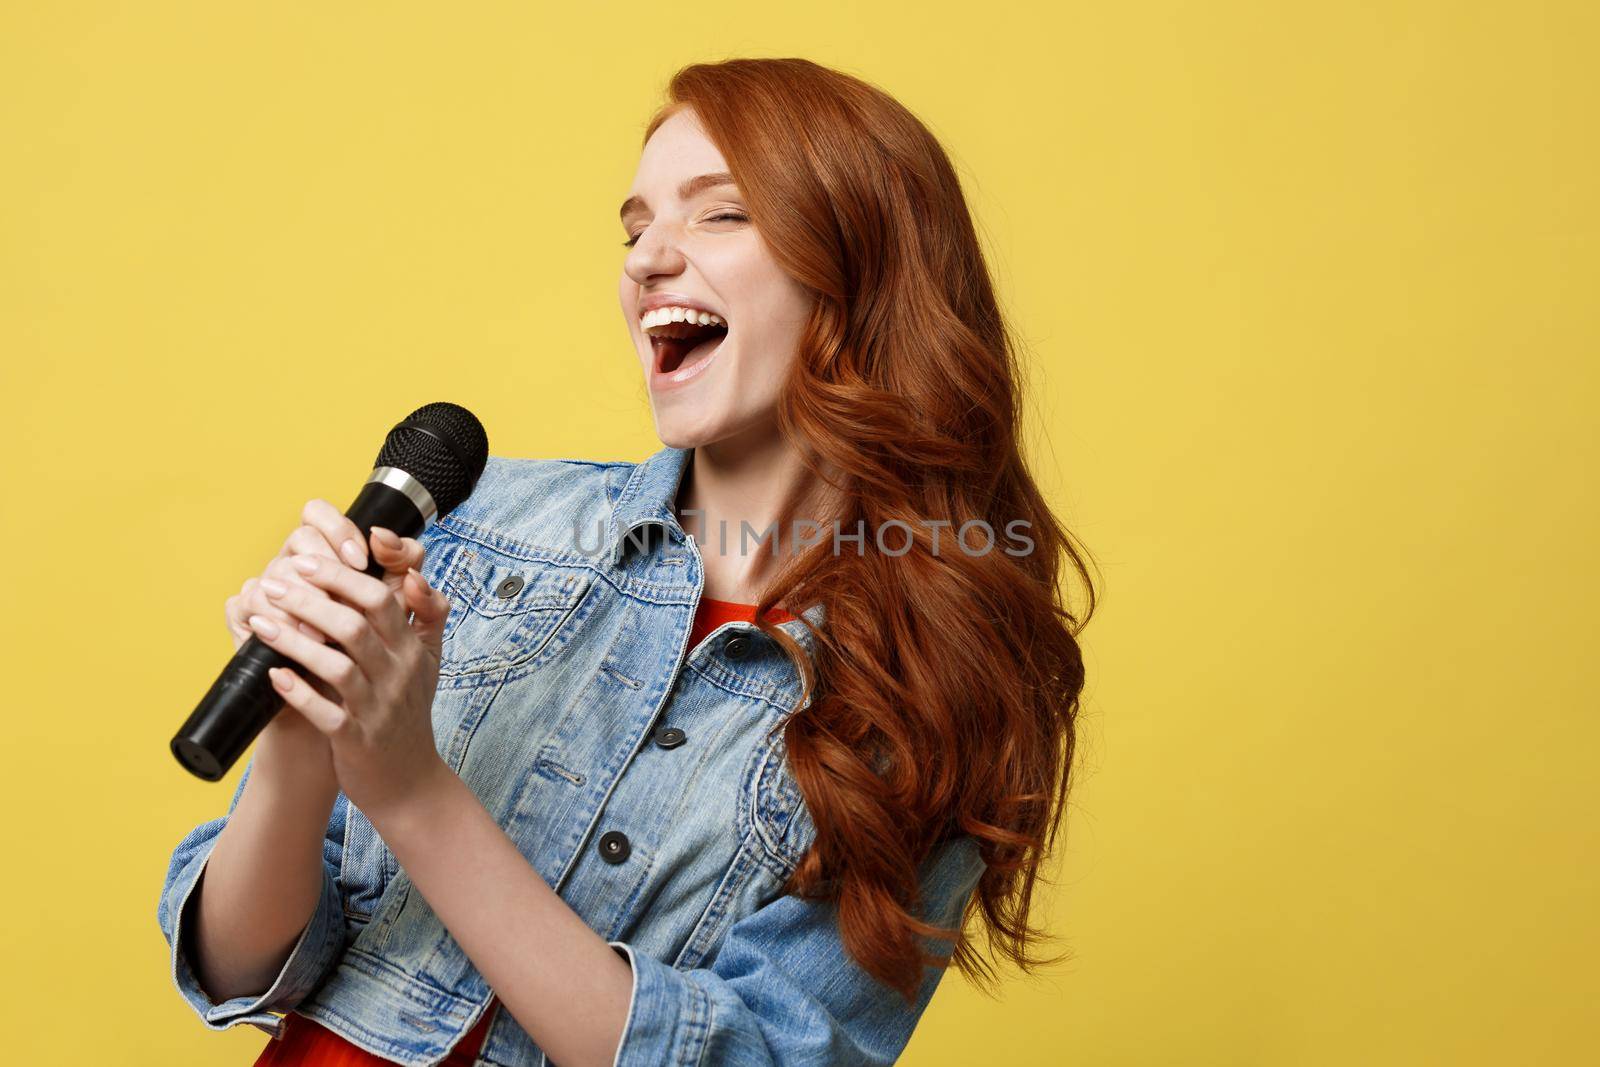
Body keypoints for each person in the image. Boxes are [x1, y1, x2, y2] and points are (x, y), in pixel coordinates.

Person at [156, 57, 1096, 1067]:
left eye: (720, 215)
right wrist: (306, 727)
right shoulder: (485, 522)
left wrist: (412, 790)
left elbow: (759, 1053)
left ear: (863, 266)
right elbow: (238, 964)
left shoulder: (942, 671)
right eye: (635, 226)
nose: (648, 257)